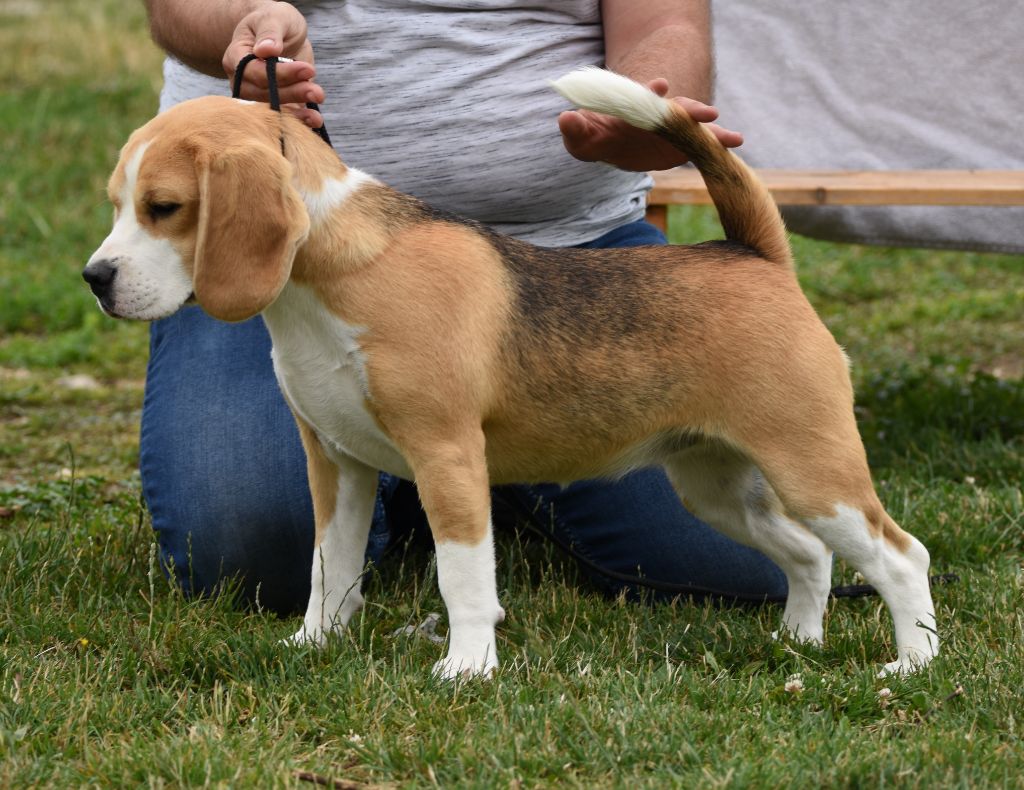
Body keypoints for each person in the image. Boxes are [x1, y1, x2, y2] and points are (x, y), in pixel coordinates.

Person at [140, 0, 788, 615]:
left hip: (571, 263)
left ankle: (459, 465)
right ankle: (441, 466)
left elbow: (666, 21)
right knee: (251, 549)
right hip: (270, 248)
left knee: (737, 569)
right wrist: (247, 26)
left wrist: (644, 99)